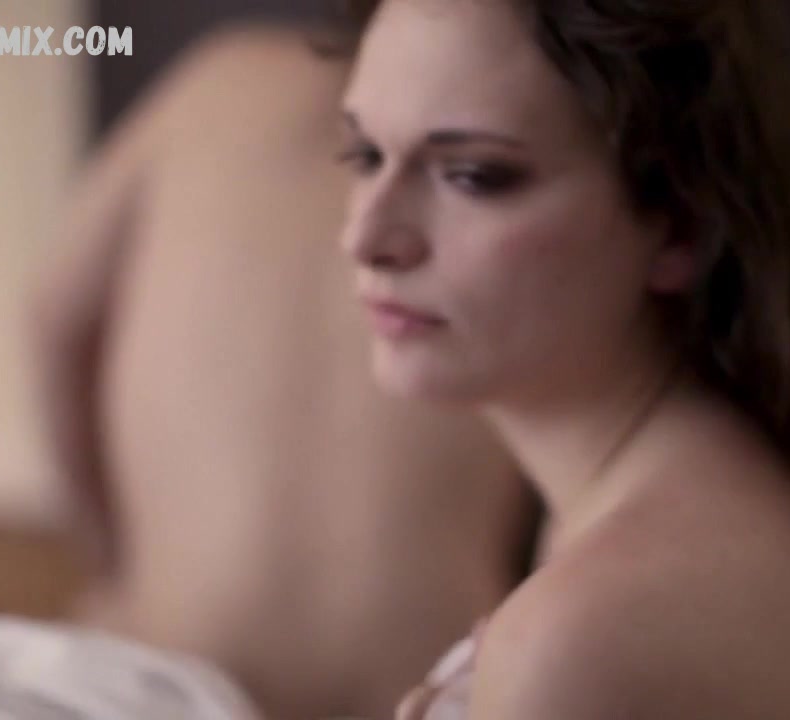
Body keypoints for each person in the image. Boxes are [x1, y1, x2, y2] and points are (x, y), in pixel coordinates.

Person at [333, 0, 790, 718]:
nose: (368, 238)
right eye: (366, 156)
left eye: (475, 175)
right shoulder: (694, 492)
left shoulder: (587, 632)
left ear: (680, 226)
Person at [28, 22, 534, 720]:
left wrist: (111, 562)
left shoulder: (220, 87)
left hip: (176, 672)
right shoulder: (521, 122)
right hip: (421, 684)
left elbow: (53, 320)